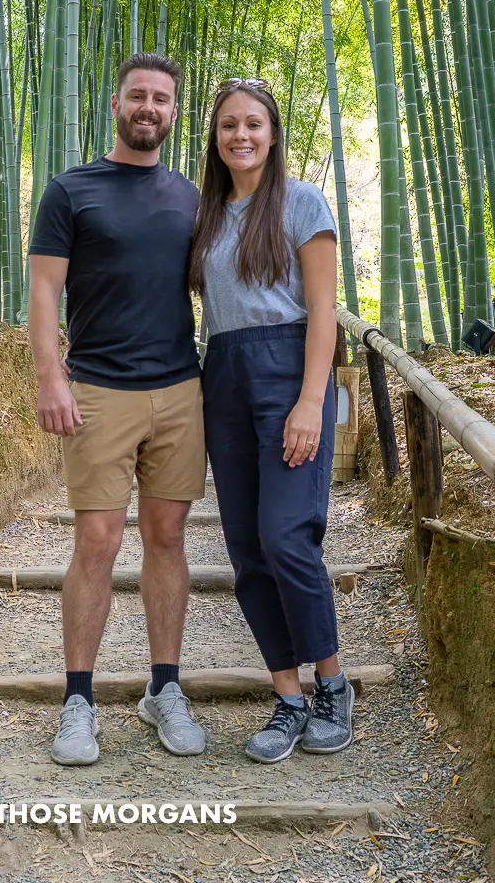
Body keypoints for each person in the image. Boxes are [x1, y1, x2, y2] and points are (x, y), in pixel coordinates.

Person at [28, 52, 208, 767]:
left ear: (172, 113)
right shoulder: (72, 191)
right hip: (98, 386)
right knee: (98, 540)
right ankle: (78, 700)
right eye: (138, 96)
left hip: (177, 387)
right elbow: (44, 292)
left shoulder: (194, 197)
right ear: (116, 104)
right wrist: (51, 378)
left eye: (162, 99)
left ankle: (165, 688)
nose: (149, 108)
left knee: (167, 537)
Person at [190, 78, 352, 764]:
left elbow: (324, 311)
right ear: (216, 138)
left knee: (287, 537)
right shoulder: (206, 214)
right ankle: (286, 697)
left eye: (253, 123)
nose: (241, 135)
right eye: (228, 125)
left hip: (290, 369)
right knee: (248, 549)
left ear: (274, 133)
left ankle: (333, 684)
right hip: (223, 374)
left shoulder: (301, 202)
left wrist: (312, 401)